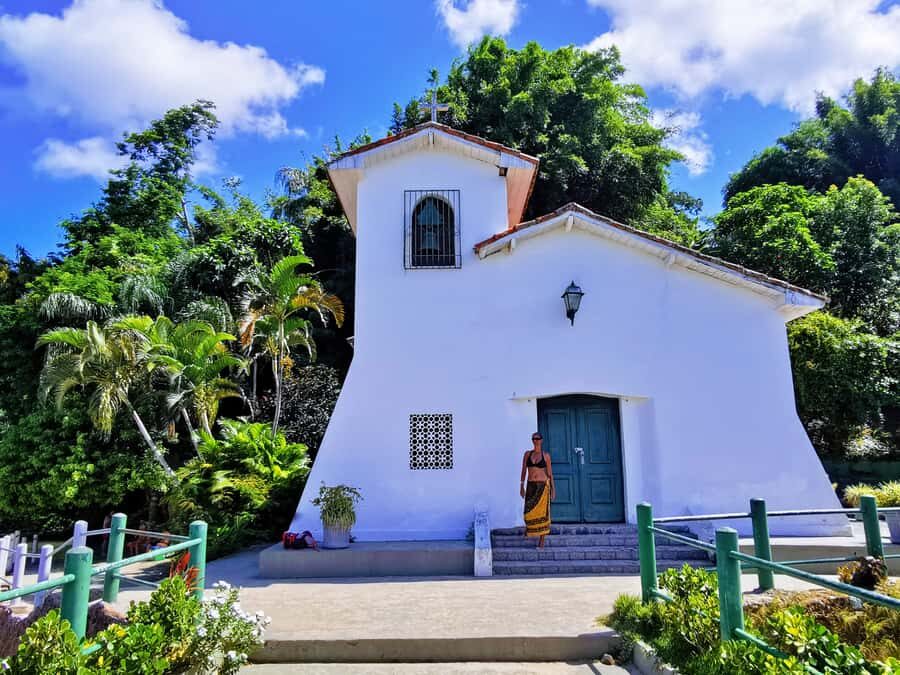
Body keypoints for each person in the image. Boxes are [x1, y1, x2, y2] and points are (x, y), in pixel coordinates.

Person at [520, 432, 555, 548]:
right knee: (528, 512)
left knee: (542, 514)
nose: (535, 440)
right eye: (534, 438)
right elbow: (524, 470)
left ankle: (542, 540)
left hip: (543, 486)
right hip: (531, 485)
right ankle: (530, 530)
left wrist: (553, 489)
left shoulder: (546, 456)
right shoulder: (527, 454)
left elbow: (550, 473)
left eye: (538, 438)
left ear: (541, 440)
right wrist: (521, 485)